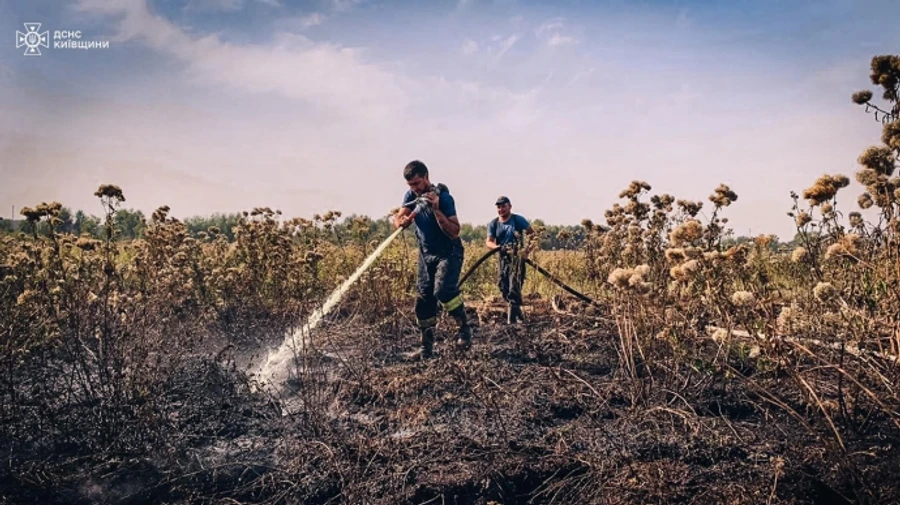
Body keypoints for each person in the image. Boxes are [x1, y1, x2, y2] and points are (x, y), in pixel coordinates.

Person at [393, 160, 472, 358]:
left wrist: (436, 209)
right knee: (423, 300)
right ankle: (426, 349)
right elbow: (399, 216)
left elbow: (455, 231)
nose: (415, 188)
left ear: (426, 177)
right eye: (411, 185)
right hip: (425, 253)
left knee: (443, 291)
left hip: (448, 251)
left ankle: (464, 329)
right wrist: (401, 221)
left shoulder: (444, 198)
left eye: (418, 183)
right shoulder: (411, 196)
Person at [485, 196, 534, 324]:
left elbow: (533, 236)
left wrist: (526, 251)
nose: (501, 209)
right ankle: (519, 315)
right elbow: (489, 242)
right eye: (498, 207)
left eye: (503, 206)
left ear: (510, 207)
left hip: (517, 260)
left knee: (514, 288)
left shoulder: (518, 220)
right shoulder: (494, 223)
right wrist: (497, 247)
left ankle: (510, 322)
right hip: (503, 259)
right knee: (503, 286)